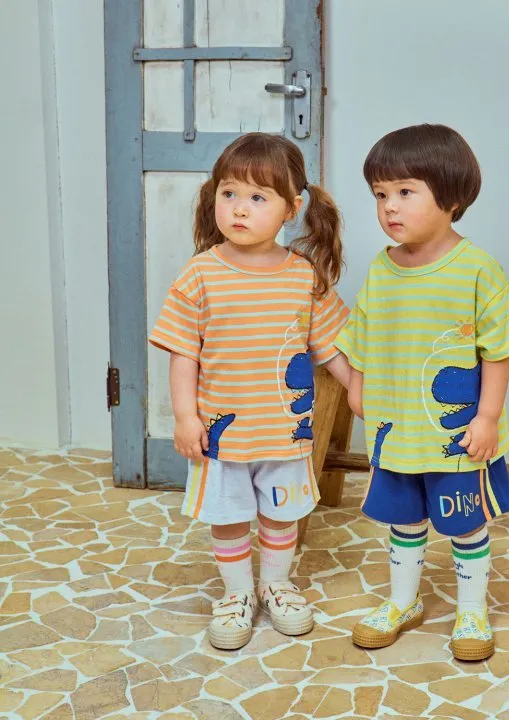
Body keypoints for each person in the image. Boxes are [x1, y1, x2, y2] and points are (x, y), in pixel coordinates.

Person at [335, 124, 509, 661]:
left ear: (450, 198)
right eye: (380, 194)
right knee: (404, 521)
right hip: (396, 432)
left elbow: (499, 351)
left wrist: (487, 417)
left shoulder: (477, 270)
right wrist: (357, 388)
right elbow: (363, 335)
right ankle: (404, 602)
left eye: (405, 191)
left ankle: (472, 610)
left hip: (457, 438)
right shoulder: (381, 270)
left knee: (465, 523)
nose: (389, 206)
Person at [149, 133, 350, 650]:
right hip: (224, 436)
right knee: (229, 518)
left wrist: (359, 388)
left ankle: (275, 585)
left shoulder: (303, 276)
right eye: (230, 193)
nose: (240, 208)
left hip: (285, 432)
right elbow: (183, 353)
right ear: (214, 196)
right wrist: (185, 417)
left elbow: (331, 347)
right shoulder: (200, 274)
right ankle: (237, 593)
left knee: (282, 515)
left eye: (258, 197)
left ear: (292, 209)